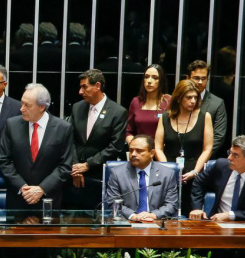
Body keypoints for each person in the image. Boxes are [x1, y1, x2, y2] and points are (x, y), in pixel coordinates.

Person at [0, 84, 74, 209]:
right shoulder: (12, 125)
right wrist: (22, 187)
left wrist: (42, 189)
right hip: (18, 199)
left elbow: (65, 166)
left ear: (41, 107)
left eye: (27, 105)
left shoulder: (63, 128)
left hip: (48, 201)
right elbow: (3, 160)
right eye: (22, 103)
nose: (21, 109)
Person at [68, 69, 128, 208]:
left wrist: (87, 165)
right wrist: (76, 167)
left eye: (85, 87)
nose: (80, 92)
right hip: (74, 174)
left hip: (99, 174)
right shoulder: (77, 108)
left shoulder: (117, 112)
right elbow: (70, 138)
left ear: (97, 86)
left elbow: (115, 146)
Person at [155, 79, 213, 216]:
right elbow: (158, 147)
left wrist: (195, 172)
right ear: (179, 98)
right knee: (166, 212)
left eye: (195, 97)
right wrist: (168, 169)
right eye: (188, 97)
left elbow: (208, 148)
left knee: (191, 212)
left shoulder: (204, 116)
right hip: (168, 171)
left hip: (194, 172)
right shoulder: (165, 117)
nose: (193, 101)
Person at [190, 135, 245, 221]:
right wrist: (197, 208)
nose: (229, 158)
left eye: (235, 155)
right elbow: (198, 182)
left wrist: (230, 215)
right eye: (230, 152)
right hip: (216, 222)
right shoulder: (220, 166)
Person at [105, 135, 179, 221]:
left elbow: (171, 204)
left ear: (152, 153)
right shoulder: (117, 173)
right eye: (131, 150)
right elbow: (113, 201)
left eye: (139, 151)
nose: (133, 154)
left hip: (157, 221)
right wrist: (133, 216)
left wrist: (153, 215)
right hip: (127, 221)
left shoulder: (167, 174)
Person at [187, 60, 228, 158]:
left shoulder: (217, 103)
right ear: (188, 78)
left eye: (203, 78)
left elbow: (219, 136)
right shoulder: (178, 100)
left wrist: (203, 155)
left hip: (205, 158)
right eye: (196, 78)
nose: (200, 82)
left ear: (207, 79)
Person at [126, 64, 170, 143]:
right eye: (146, 77)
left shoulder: (168, 101)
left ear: (161, 80)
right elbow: (128, 131)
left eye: (155, 77)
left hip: (162, 147)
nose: (149, 81)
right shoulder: (136, 101)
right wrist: (136, 145)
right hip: (139, 147)